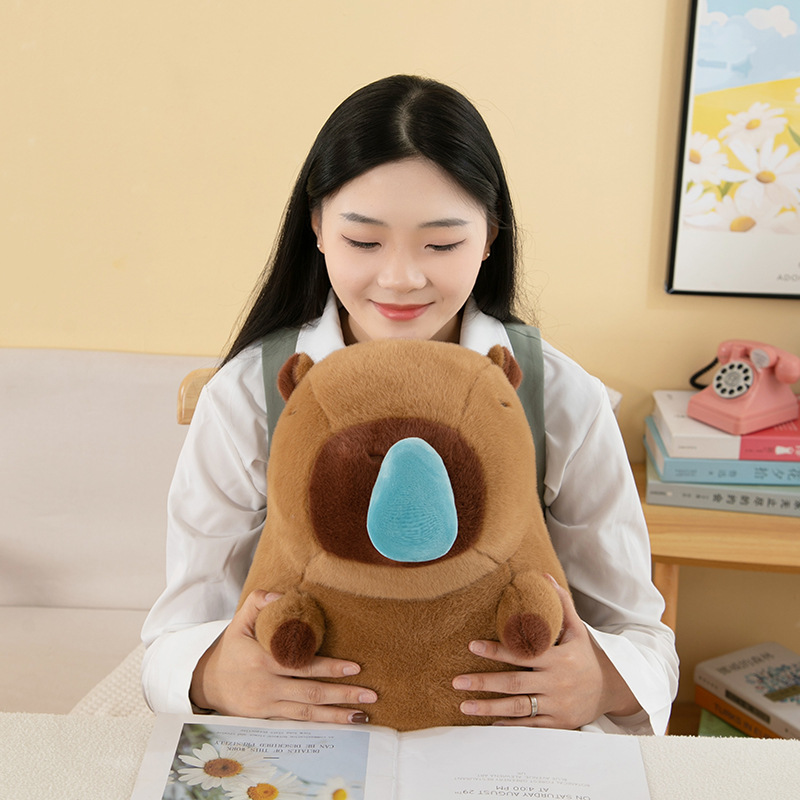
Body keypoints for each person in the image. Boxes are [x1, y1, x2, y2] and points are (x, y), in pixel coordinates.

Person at [141, 74, 678, 734]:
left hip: (502, 754)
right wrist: (212, 675)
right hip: (308, 749)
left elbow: (640, 637)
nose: (400, 278)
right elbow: (175, 634)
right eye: (363, 242)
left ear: (490, 236)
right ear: (317, 228)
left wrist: (602, 684)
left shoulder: (560, 396)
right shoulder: (248, 395)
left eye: (442, 244)